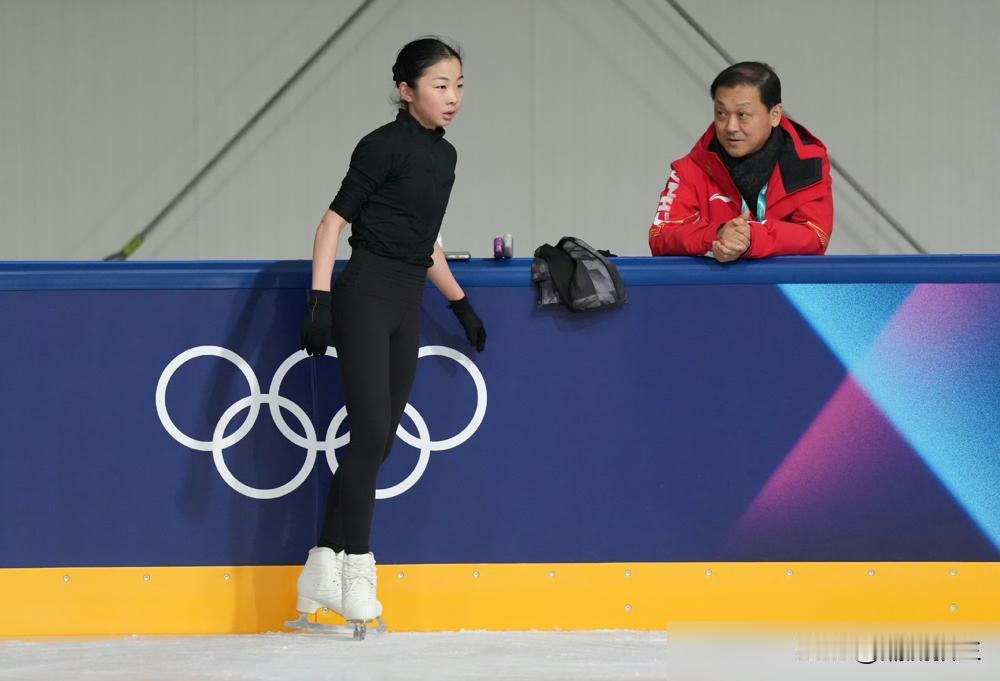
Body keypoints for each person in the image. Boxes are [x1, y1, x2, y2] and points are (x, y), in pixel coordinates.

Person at [294, 37, 486, 637]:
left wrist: (459, 303)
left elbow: (425, 243)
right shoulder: (380, 146)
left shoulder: (445, 157)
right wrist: (320, 301)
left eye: (459, 85)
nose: (453, 97)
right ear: (406, 91)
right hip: (366, 298)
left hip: (407, 302)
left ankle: (319, 570)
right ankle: (357, 572)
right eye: (440, 86)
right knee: (371, 433)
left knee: (377, 445)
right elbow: (332, 224)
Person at [648, 61, 833, 260]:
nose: (730, 127)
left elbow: (816, 236)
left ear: (774, 115)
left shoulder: (806, 163)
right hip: (717, 281)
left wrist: (753, 238)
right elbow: (660, 236)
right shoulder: (690, 168)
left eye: (742, 115)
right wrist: (716, 235)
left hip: (783, 282)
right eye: (721, 113)